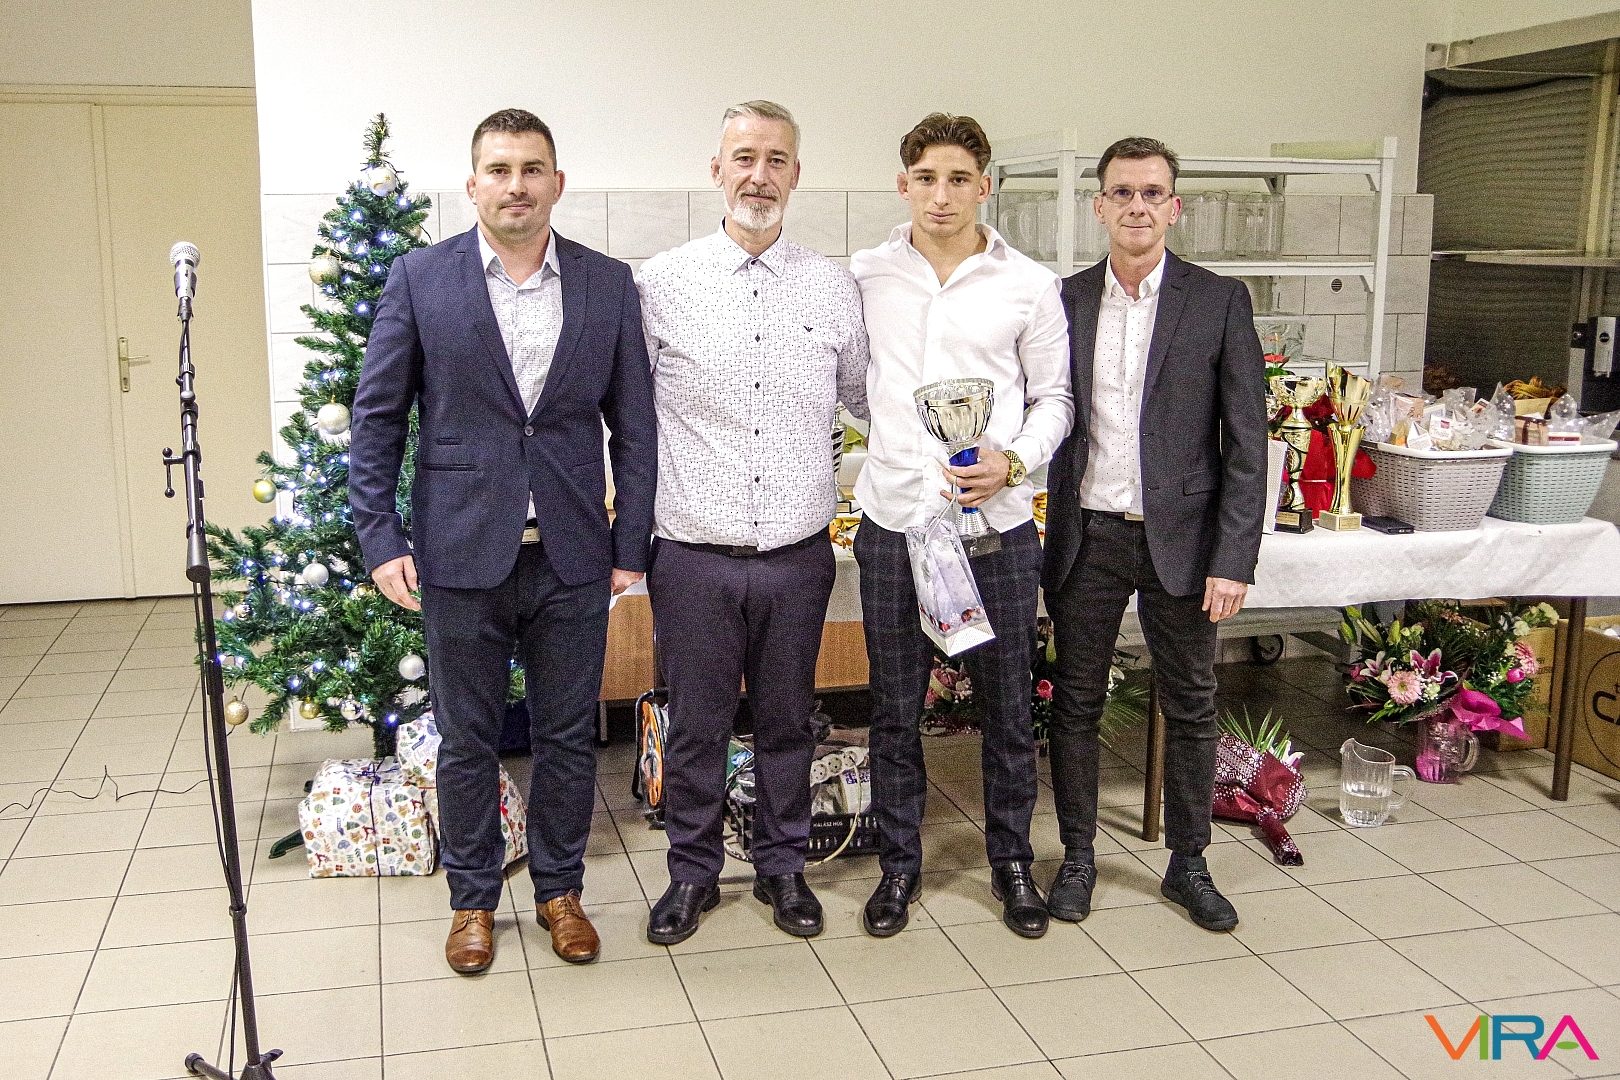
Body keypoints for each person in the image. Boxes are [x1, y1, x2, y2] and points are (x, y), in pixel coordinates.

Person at [349, 108, 656, 973]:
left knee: (566, 737)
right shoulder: (420, 279)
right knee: (467, 740)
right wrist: (379, 537)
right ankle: (473, 900)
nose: (515, 185)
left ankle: (560, 891)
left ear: (556, 183)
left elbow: (636, 428)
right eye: (499, 169)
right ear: (473, 183)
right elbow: (377, 419)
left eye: (531, 169)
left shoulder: (606, 284)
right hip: (457, 552)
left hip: (571, 554)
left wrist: (630, 543)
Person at [637, 100, 870, 946]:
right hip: (692, 555)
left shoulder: (833, 286)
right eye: (744, 158)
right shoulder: (661, 285)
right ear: (717, 169)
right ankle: (692, 874)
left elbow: (865, 398)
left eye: (776, 160)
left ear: (796, 175)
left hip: (797, 555)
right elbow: (626, 414)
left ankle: (782, 867)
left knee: (787, 722)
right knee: (697, 726)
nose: (759, 176)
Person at [850, 113, 1073, 939]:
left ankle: (1011, 862)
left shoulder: (1030, 284)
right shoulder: (866, 274)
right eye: (925, 179)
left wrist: (1012, 461)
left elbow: (1056, 399)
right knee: (893, 709)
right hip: (894, 523)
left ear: (984, 186)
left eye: (957, 180)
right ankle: (899, 864)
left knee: (1008, 708)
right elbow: (853, 381)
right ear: (902, 184)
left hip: (996, 528)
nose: (940, 196)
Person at [1041, 136, 1267, 931]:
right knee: (1075, 702)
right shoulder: (1064, 300)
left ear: (1175, 208)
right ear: (1099, 207)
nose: (1137, 206)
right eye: (1122, 193)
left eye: (1152, 193)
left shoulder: (1218, 300)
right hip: (1088, 536)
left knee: (1193, 703)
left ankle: (1189, 863)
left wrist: (1234, 557)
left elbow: (1247, 443)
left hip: (1186, 540)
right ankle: (1076, 857)